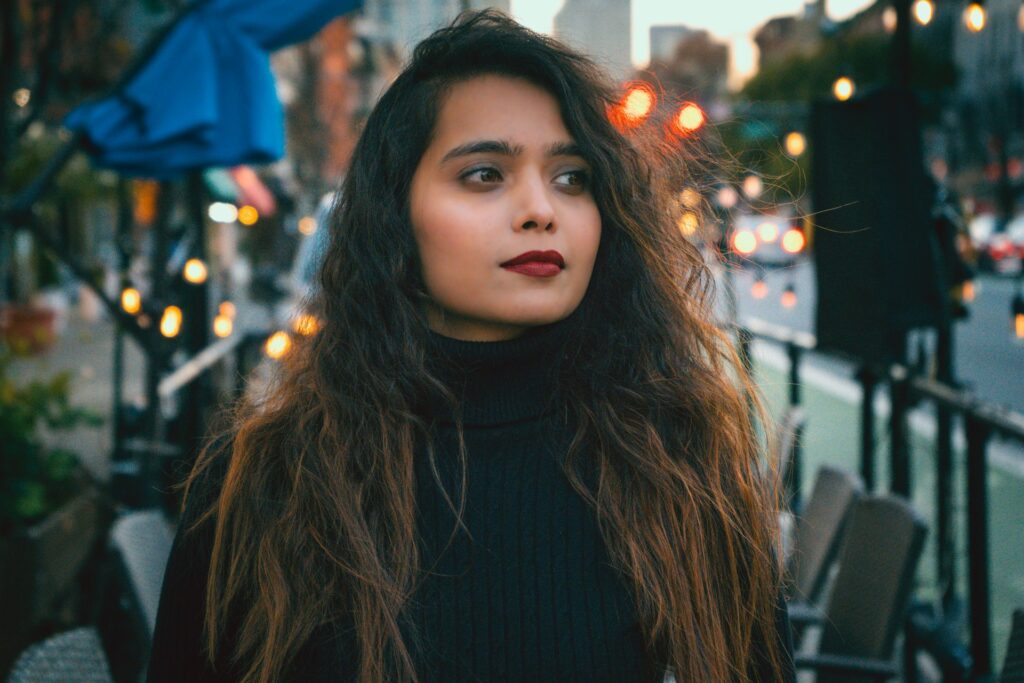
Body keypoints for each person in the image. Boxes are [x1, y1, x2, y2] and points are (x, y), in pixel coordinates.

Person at [148, 11, 795, 683]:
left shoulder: (684, 474)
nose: (540, 208)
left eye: (573, 177)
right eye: (485, 173)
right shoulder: (264, 478)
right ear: (394, 211)